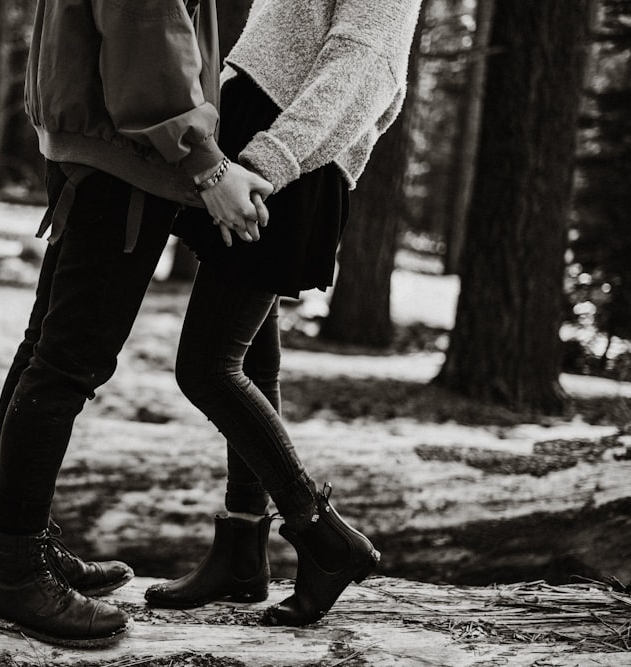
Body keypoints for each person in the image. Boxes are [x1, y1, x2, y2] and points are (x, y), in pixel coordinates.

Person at [0, 0, 273, 649]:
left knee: (44, 353)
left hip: (97, 141)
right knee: (66, 365)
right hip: (125, 154)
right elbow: (148, 30)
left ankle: (22, 546)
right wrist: (206, 162)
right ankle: (12, 569)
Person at [144, 0, 423, 626]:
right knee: (251, 360)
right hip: (260, 145)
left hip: (285, 160)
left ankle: (324, 536)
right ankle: (242, 550)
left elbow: (364, 67)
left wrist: (269, 160)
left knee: (208, 367)